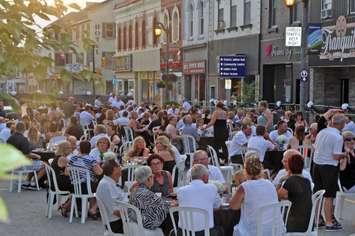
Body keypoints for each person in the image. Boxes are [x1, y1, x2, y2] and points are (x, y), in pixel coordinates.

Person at [230, 153, 284, 236]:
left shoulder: (244, 187)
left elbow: (233, 206)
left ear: (245, 171)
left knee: (233, 227)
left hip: (255, 232)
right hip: (275, 230)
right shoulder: (269, 183)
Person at [313, 114, 346, 231]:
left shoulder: (322, 132)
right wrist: (345, 154)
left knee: (318, 192)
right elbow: (336, 155)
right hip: (329, 166)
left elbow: (315, 146)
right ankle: (329, 222)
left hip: (316, 164)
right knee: (329, 195)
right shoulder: (338, 137)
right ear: (342, 125)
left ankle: (317, 219)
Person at [177, 164, 221, 235]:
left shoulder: (180, 191)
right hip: (205, 233)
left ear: (191, 177)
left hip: (183, 232)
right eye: (207, 175)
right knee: (221, 229)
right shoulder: (212, 188)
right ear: (204, 176)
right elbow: (217, 206)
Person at [67, 140, 103, 218]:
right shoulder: (91, 159)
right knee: (102, 187)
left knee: (94, 184)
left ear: (80, 149)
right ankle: (93, 209)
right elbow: (99, 172)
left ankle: (91, 208)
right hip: (86, 187)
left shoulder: (73, 158)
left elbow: (67, 171)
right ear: (90, 149)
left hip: (74, 186)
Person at [277, 154, 312, 232]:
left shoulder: (290, 181)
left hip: (295, 225)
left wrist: (281, 180)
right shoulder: (307, 181)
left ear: (290, 166)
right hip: (308, 223)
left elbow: (277, 197)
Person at [129, 166, 170, 230]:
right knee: (172, 217)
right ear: (149, 178)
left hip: (135, 225)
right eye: (152, 177)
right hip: (146, 225)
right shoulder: (147, 194)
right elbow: (163, 206)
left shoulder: (134, 191)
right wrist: (171, 204)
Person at [96, 159, 126, 234]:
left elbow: (120, 196)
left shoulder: (109, 182)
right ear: (114, 171)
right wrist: (133, 214)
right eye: (119, 170)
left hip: (119, 219)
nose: (120, 173)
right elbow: (115, 211)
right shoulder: (106, 185)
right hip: (116, 223)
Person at [51, 141, 73, 217]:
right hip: (60, 183)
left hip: (55, 182)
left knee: (78, 187)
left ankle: (67, 206)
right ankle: (66, 206)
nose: (71, 149)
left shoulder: (57, 157)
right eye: (69, 148)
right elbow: (68, 173)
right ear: (65, 149)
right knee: (80, 188)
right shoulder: (63, 159)